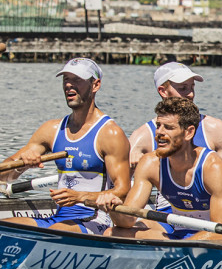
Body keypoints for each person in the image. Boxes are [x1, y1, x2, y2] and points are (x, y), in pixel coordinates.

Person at [0, 58, 130, 234]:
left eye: (77, 80)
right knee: (5, 225)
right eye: (66, 79)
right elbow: (3, 175)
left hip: (96, 220)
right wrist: (23, 165)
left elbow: (122, 190)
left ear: (95, 85)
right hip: (58, 219)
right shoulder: (51, 130)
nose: (69, 85)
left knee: (56, 230)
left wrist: (80, 196)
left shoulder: (110, 134)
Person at [97, 97, 222, 240]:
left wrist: (177, 248)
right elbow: (127, 221)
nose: (159, 133)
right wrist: (113, 207)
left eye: (168, 127)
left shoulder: (213, 167)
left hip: (212, 235)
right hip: (178, 232)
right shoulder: (150, 164)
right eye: (158, 125)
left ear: (189, 132)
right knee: (112, 233)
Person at [129, 62, 222, 201]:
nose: (191, 94)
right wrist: (132, 163)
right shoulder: (142, 136)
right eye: (183, 88)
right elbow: (120, 185)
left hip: (209, 210)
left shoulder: (214, 127)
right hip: (167, 211)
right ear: (163, 91)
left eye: (192, 87)